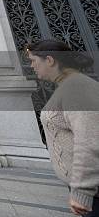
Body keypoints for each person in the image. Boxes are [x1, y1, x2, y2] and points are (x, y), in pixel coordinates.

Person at [27, 40, 99, 216]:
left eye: (34, 60)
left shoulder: (76, 87)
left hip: (94, 191)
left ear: (49, 60)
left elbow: (89, 141)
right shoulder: (69, 85)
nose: (31, 66)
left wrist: (82, 192)